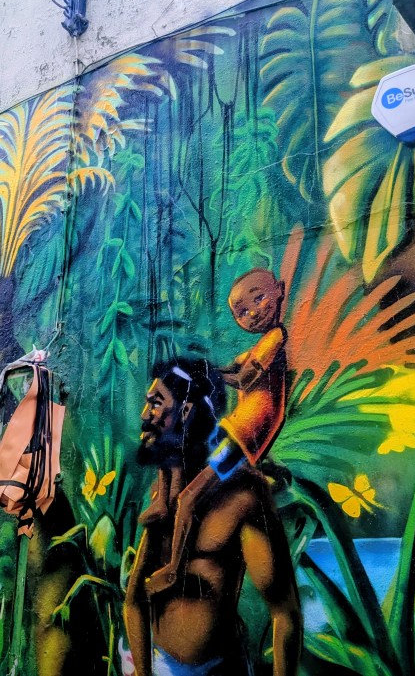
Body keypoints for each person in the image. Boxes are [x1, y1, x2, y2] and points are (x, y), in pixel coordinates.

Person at [124, 358, 301, 676]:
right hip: (160, 663)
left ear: (186, 412)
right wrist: (143, 671)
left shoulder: (243, 496)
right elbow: (135, 599)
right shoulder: (161, 491)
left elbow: (284, 612)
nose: (144, 415)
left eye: (156, 403)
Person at [142, 269, 288, 594]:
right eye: (242, 312)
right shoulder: (262, 345)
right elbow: (233, 368)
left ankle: (173, 570)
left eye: (259, 299)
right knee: (180, 444)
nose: (252, 313)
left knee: (189, 498)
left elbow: (245, 379)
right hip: (235, 429)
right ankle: (163, 501)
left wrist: (215, 376)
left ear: (279, 290)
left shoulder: (274, 340)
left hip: (243, 437)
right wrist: (204, 370)